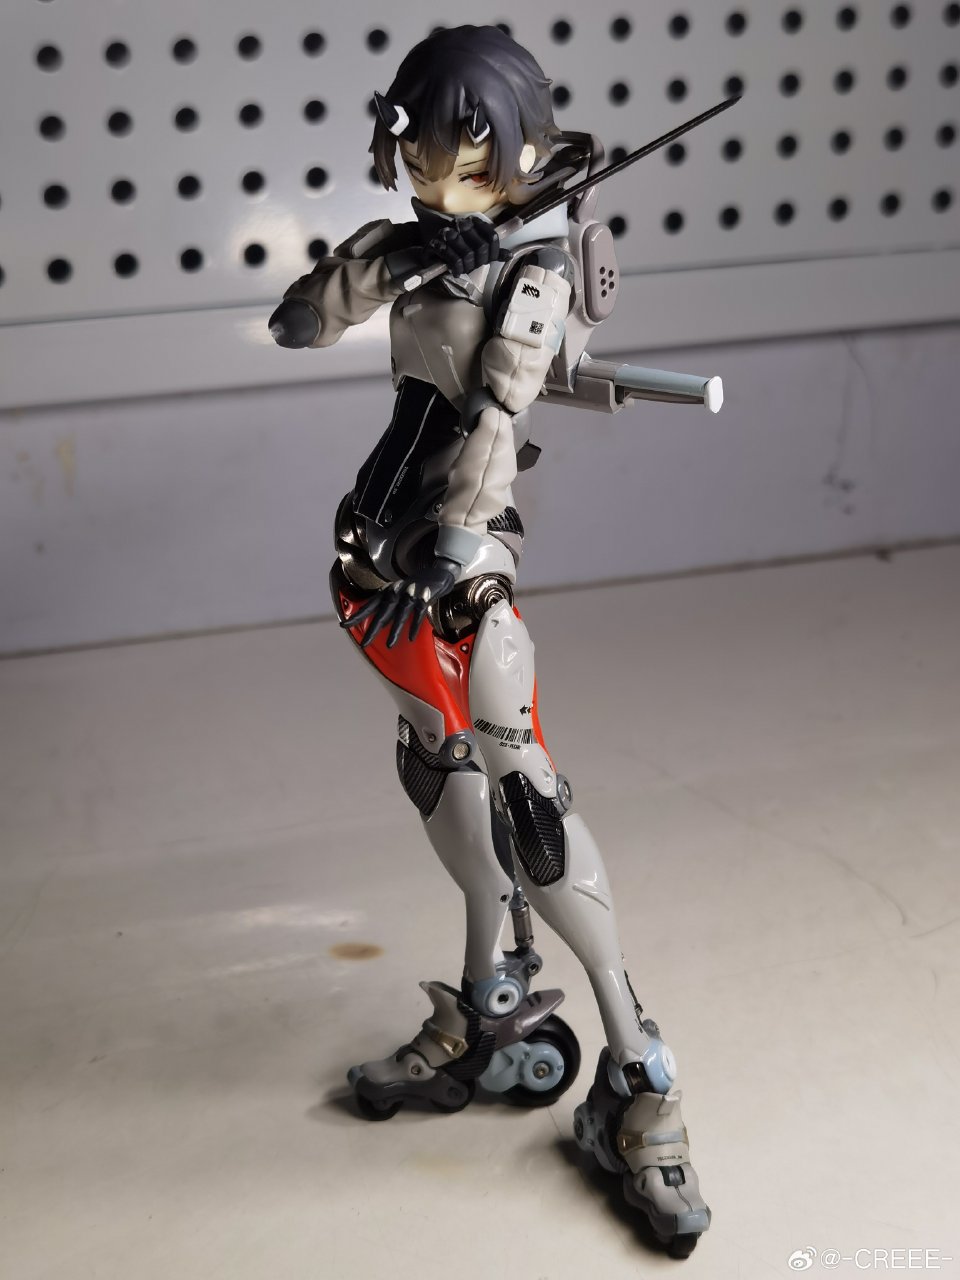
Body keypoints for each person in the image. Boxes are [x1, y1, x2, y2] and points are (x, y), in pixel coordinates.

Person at [269, 23, 711, 1257]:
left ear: (513, 152)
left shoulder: (533, 276)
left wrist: (452, 538)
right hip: (376, 549)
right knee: (438, 762)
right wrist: (397, 256)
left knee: (526, 793)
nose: (434, 175)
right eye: (418, 152)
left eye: (463, 159)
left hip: (461, 563)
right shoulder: (419, 246)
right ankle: (488, 1002)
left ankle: (642, 1074)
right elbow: (301, 321)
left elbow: (491, 420)